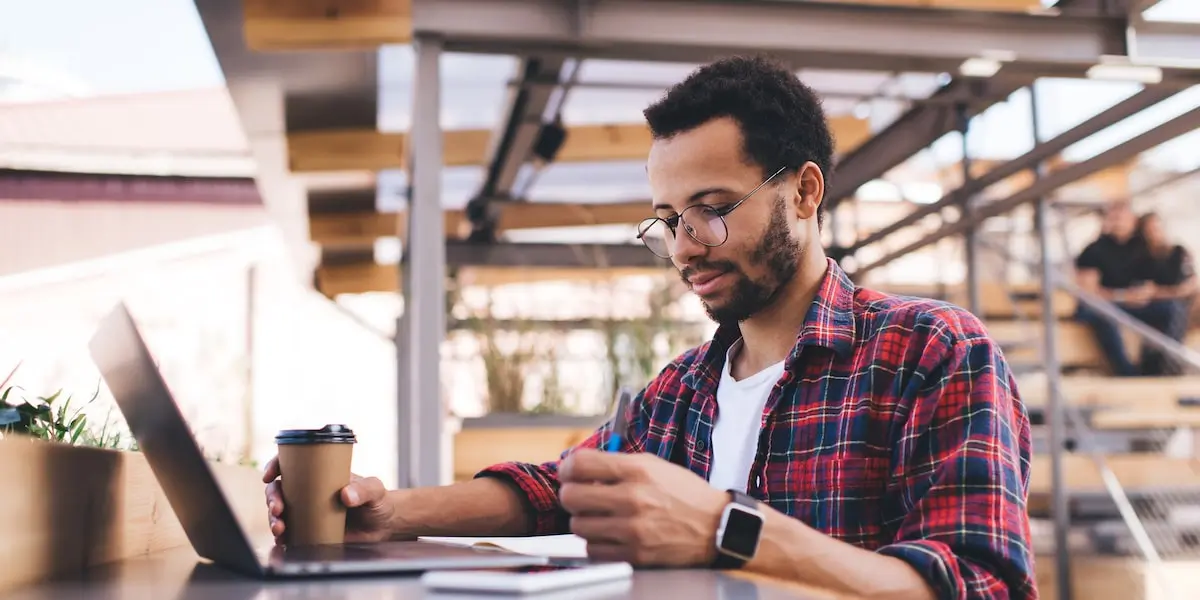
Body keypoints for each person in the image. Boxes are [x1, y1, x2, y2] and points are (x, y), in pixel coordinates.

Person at [263, 56, 1035, 599]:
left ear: (803, 193)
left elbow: (980, 587)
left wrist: (725, 531)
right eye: (667, 220)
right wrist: (385, 514)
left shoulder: (933, 353)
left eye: (711, 208)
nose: (685, 245)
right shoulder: (683, 390)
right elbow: (558, 492)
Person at [1073, 202, 1159, 376]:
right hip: (1102, 306)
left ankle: (1156, 368)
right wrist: (1123, 296)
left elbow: (1152, 283)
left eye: (1123, 217)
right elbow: (1089, 292)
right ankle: (1127, 374)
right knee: (1103, 314)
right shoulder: (1094, 250)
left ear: (1133, 221)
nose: (1119, 222)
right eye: (1115, 217)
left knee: (1169, 309)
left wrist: (1144, 293)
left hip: (1131, 305)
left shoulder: (1143, 248)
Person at [1132, 212, 1196, 375]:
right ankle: (1170, 367)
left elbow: (1190, 285)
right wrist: (1174, 292)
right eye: (1150, 229)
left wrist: (1165, 292)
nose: (1155, 232)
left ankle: (1170, 364)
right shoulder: (1141, 258)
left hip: (1185, 304)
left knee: (1176, 309)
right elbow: (1146, 292)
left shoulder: (1178, 251)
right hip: (1158, 308)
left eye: (1157, 228)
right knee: (1173, 310)